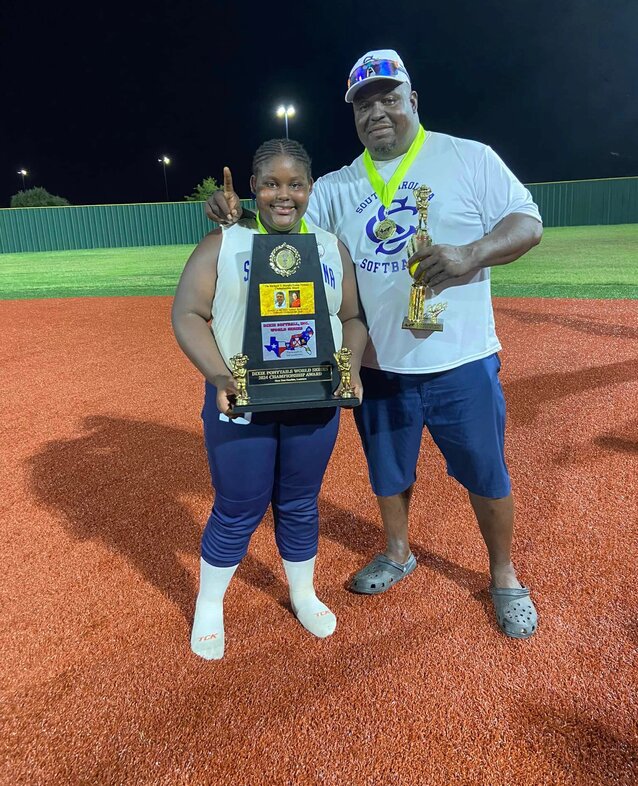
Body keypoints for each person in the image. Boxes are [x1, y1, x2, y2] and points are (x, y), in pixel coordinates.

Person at [206, 50, 543, 639]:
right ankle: (397, 551)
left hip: (459, 358)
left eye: (389, 97)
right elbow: (284, 226)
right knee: (388, 472)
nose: (377, 111)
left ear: (413, 99)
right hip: (376, 366)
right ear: (354, 116)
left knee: (486, 472)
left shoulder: (468, 157)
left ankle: (504, 574)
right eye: (364, 104)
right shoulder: (339, 186)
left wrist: (470, 254)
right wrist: (234, 220)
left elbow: (527, 221)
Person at [173, 138, 367, 659]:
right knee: (238, 506)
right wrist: (220, 375)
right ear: (255, 189)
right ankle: (210, 604)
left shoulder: (329, 246)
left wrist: (348, 366)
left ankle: (303, 593)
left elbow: (351, 317)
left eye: (296, 184)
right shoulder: (225, 242)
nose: (285, 195)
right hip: (243, 402)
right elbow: (187, 315)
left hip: (314, 400)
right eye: (272, 184)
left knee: (300, 504)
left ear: (310, 187)